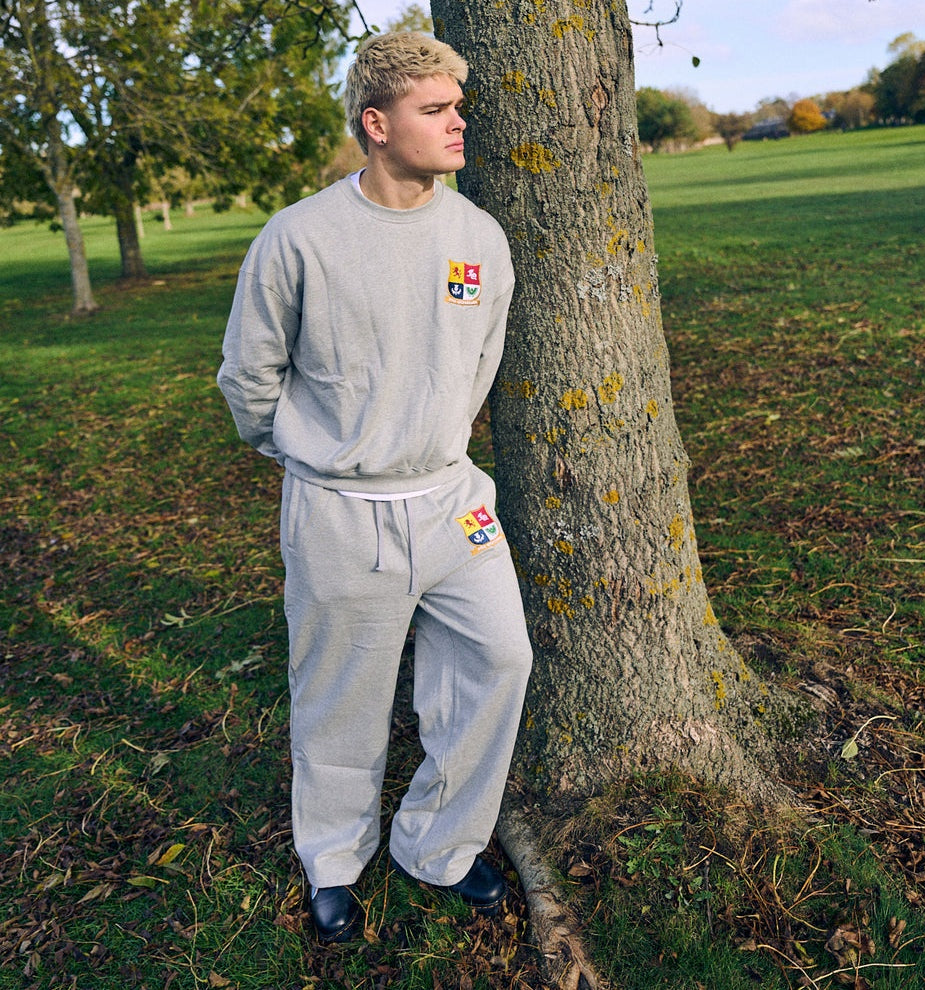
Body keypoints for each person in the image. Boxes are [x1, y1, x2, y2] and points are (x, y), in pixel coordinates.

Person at [217, 31, 533, 945]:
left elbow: (481, 361)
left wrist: (424, 441)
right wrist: (312, 457)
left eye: (455, 106)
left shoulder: (479, 237)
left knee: (499, 662)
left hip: (451, 501)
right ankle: (333, 862)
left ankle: (437, 843)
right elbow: (249, 377)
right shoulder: (301, 238)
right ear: (377, 123)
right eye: (435, 110)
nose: (456, 121)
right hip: (338, 514)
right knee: (341, 700)